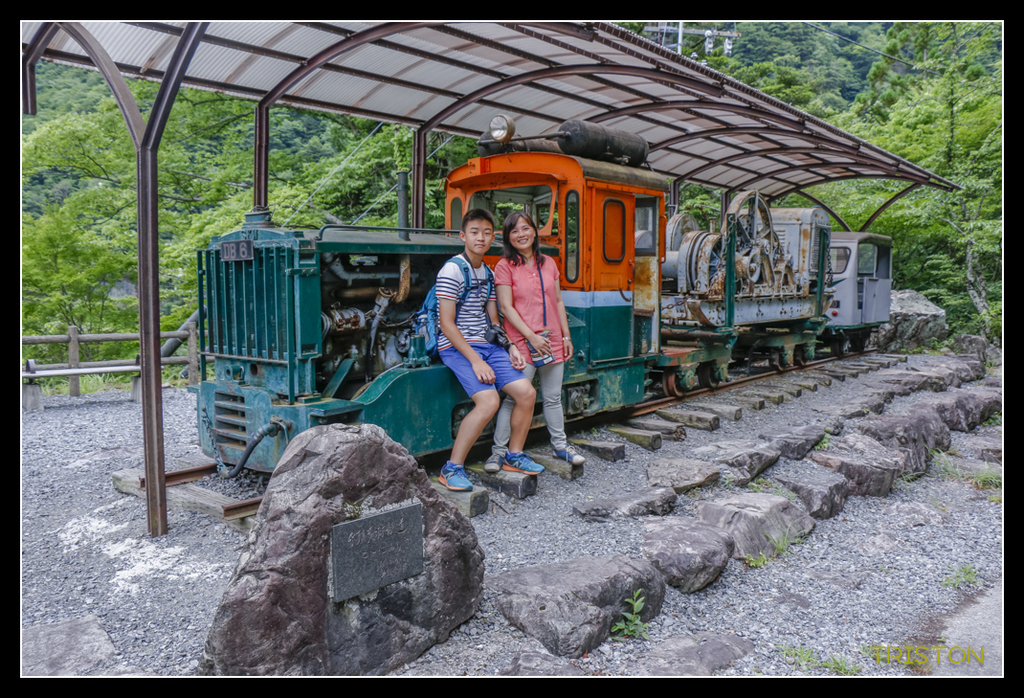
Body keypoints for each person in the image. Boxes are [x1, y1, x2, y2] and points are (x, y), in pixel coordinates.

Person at [436, 209, 544, 491]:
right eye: (474, 232)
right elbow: (446, 324)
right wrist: (475, 361)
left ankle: (514, 455)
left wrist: (509, 347)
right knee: (489, 402)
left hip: (487, 345)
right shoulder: (451, 270)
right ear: (463, 236)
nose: (480, 238)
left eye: (486, 232)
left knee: (527, 393)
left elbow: (494, 320)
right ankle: (452, 468)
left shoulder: (487, 272)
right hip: (456, 346)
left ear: (493, 237)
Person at [487, 210, 586, 472]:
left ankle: (561, 446)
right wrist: (531, 337)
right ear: (508, 237)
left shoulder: (549, 263)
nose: (521, 234)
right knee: (515, 399)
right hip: (522, 342)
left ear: (534, 231)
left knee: (553, 398)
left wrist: (566, 335)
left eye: (526, 228)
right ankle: (498, 453)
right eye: (514, 231)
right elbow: (506, 308)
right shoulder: (504, 266)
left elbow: (558, 301)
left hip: (552, 338)